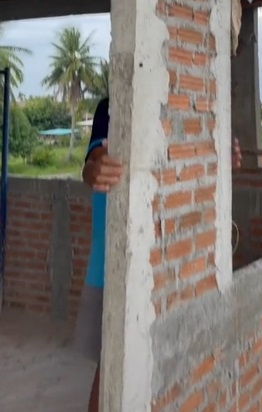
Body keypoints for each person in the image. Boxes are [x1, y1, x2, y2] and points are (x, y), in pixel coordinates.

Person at [75, 97, 242, 412]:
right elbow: (93, 161)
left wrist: (221, 159)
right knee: (112, 366)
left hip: (169, 263)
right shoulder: (111, 107)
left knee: (153, 368)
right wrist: (94, 171)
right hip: (115, 264)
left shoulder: (186, 114)